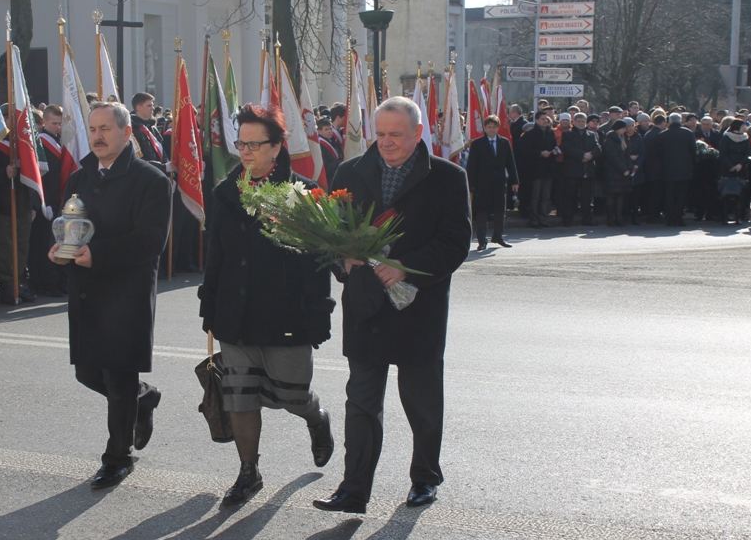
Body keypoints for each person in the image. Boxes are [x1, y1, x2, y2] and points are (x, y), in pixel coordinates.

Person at [313, 96, 472, 514]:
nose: (386, 142)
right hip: (366, 306)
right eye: (381, 134)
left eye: (396, 135)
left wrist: (406, 268)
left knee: (422, 403)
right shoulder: (349, 172)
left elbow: (455, 242)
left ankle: (425, 478)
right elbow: (331, 232)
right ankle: (353, 490)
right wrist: (344, 262)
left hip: (419, 308)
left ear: (418, 133)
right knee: (361, 402)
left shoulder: (448, 178)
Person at [199, 104, 335, 505]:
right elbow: (216, 256)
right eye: (241, 144)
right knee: (239, 394)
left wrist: (318, 312)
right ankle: (249, 471)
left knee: (292, 394)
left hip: (286, 313)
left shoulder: (303, 193)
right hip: (235, 312)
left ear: (277, 147)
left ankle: (316, 416)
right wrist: (210, 308)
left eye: (255, 144)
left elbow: (317, 263)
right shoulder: (225, 192)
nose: (245, 152)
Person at [49, 101, 171, 490]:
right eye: (93, 129)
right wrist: (61, 251)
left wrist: (98, 254)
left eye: (105, 129)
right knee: (87, 372)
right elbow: (70, 226)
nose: (97, 136)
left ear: (126, 132)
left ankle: (118, 458)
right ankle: (143, 398)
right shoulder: (80, 177)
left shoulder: (151, 180)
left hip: (126, 294)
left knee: (118, 381)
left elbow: (152, 240)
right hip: (87, 292)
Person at [0, 118, 38, 305]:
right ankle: (7, 285)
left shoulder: (23, 143)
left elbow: (33, 176)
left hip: (23, 205)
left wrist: (32, 205)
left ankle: (18, 282)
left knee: (21, 247)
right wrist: (3, 173)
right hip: (1, 206)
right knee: (5, 249)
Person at [466, 115, 519, 250]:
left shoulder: (504, 142)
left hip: (499, 182)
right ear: (485, 128)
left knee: (499, 211)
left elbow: (510, 162)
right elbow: (471, 166)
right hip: (482, 183)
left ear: (498, 128)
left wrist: (514, 180)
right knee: (482, 212)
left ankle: (498, 236)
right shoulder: (477, 144)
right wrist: (471, 184)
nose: (491, 129)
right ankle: (482, 240)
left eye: (494, 127)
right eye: (489, 127)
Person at [32, 104, 65, 297]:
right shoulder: (41, 143)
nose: (58, 127)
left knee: (59, 242)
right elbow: (40, 177)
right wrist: (44, 203)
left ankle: (58, 281)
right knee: (45, 245)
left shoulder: (60, 140)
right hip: (46, 202)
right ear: (44, 122)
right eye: (54, 123)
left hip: (59, 200)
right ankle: (46, 283)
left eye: (60, 123)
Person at [654, 112, 697, 227]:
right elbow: (693, 151)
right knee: (681, 195)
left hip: (667, 169)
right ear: (680, 121)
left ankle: (669, 219)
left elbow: (658, 153)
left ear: (670, 121)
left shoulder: (663, 135)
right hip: (684, 169)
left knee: (669, 195)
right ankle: (678, 218)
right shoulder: (688, 133)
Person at [560, 112, 601, 227]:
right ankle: (568, 218)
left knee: (586, 197)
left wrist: (591, 155)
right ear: (574, 122)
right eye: (579, 121)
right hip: (572, 170)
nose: (581, 123)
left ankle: (587, 218)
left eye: (583, 121)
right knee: (570, 196)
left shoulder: (591, 135)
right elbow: (567, 148)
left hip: (587, 169)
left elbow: (598, 148)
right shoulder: (567, 134)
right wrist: (582, 155)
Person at [519, 110, 557, 228]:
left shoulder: (550, 133)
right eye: (542, 119)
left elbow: (554, 146)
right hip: (535, 170)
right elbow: (524, 152)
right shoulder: (530, 134)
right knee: (535, 196)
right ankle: (534, 219)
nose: (545, 121)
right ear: (536, 120)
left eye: (546, 119)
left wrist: (555, 151)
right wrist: (540, 153)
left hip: (548, 169)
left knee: (545, 196)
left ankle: (543, 218)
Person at [717, 118, 751, 225]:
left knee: (740, 194)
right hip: (727, 169)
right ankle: (724, 217)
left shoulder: (745, 138)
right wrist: (730, 166)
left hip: (741, 169)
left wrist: (741, 164)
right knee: (725, 194)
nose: (744, 127)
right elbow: (722, 153)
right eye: (742, 125)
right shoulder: (726, 137)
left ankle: (738, 217)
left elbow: (747, 153)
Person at [602, 120, 633, 227]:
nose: (625, 130)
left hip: (622, 173)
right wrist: (624, 169)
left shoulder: (624, 139)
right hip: (613, 172)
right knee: (612, 196)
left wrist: (629, 167)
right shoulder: (610, 141)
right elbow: (613, 157)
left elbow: (627, 155)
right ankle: (610, 218)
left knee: (620, 196)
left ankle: (618, 218)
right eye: (623, 128)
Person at [317, 116, 342, 187]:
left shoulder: (333, 140)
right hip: (329, 179)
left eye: (330, 128)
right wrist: (340, 163)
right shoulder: (320, 145)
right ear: (319, 131)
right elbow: (325, 167)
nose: (330, 131)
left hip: (337, 175)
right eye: (326, 129)